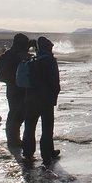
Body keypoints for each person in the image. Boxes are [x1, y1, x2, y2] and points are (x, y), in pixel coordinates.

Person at [22, 36, 61, 166]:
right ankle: (47, 154)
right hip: (45, 99)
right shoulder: (49, 61)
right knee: (47, 128)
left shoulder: (33, 59)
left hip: (30, 98)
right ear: (48, 48)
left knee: (30, 126)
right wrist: (54, 94)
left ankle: (27, 153)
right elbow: (54, 81)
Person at [0, 33, 31, 148]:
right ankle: (14, 141)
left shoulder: (7, 54)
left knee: (14, 114)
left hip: (12, 88)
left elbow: (0, 73)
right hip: (19, 89)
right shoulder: (18, 56)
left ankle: (13, 139)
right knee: (17, 115)